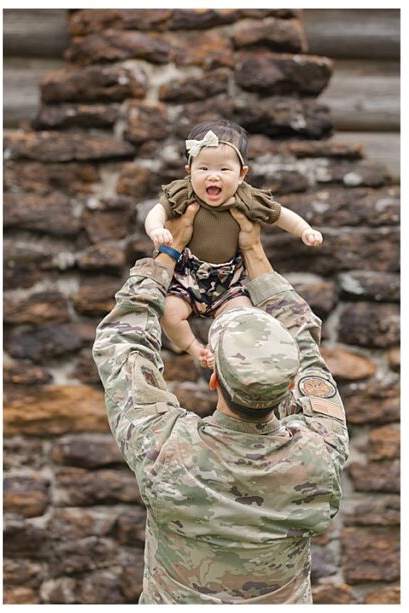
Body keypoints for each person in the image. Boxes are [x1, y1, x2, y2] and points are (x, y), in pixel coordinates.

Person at [92, 204, 348, 603]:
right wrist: (255, 254)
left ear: (214, 378)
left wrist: (168, 253)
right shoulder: (322, 453)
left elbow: (122, 346)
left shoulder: (165, 448)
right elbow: (305, 346)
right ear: (289, 388)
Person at [143, 119, 322, 367]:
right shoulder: (183, 193)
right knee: (170, 314)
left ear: (241, 175)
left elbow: (281, 215)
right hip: (186, 279)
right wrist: (156, 229)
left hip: (229, 285)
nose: (212, 176)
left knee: (242, 319)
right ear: (189, 171)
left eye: (223, 170)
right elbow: (157, 211)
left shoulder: (247, 197)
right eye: (203, 169)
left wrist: (304, 230)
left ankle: (220, 353)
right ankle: (195, 349)